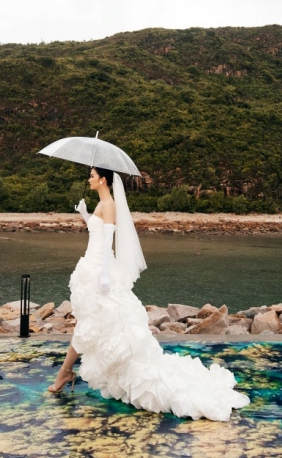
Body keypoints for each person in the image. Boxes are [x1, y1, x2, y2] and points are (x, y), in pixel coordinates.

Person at [47, 167, 250, 421]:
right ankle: (67, 372)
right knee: (92, 325)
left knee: (89, 326)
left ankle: (65, 373)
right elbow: (97, 233)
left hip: (99, 270)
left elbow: (109, 240)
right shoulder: (102, 204)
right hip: (92, 266)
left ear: (102, 180)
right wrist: (86, 214)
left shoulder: (109, 204)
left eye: (91, 175)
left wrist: (106, 275)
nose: (88, 178)